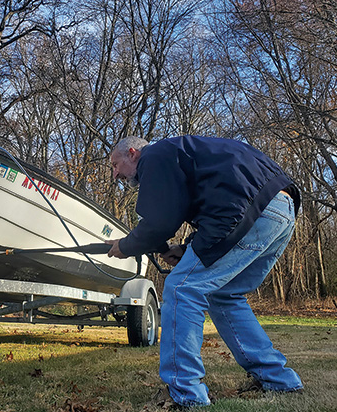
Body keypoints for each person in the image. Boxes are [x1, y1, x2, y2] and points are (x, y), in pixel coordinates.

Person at [105, 135, 304, 407]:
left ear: (133, 153)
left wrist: (125, 246)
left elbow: (160, 220)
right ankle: (279, 380)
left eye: (116, 165)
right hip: (282, 206)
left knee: (182, 288)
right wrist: (185, 248)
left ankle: (185, 393)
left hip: (247, 212)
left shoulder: (154, 156)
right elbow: (214, 197)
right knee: (224, 295)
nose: (116, 174)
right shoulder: (183, 153)